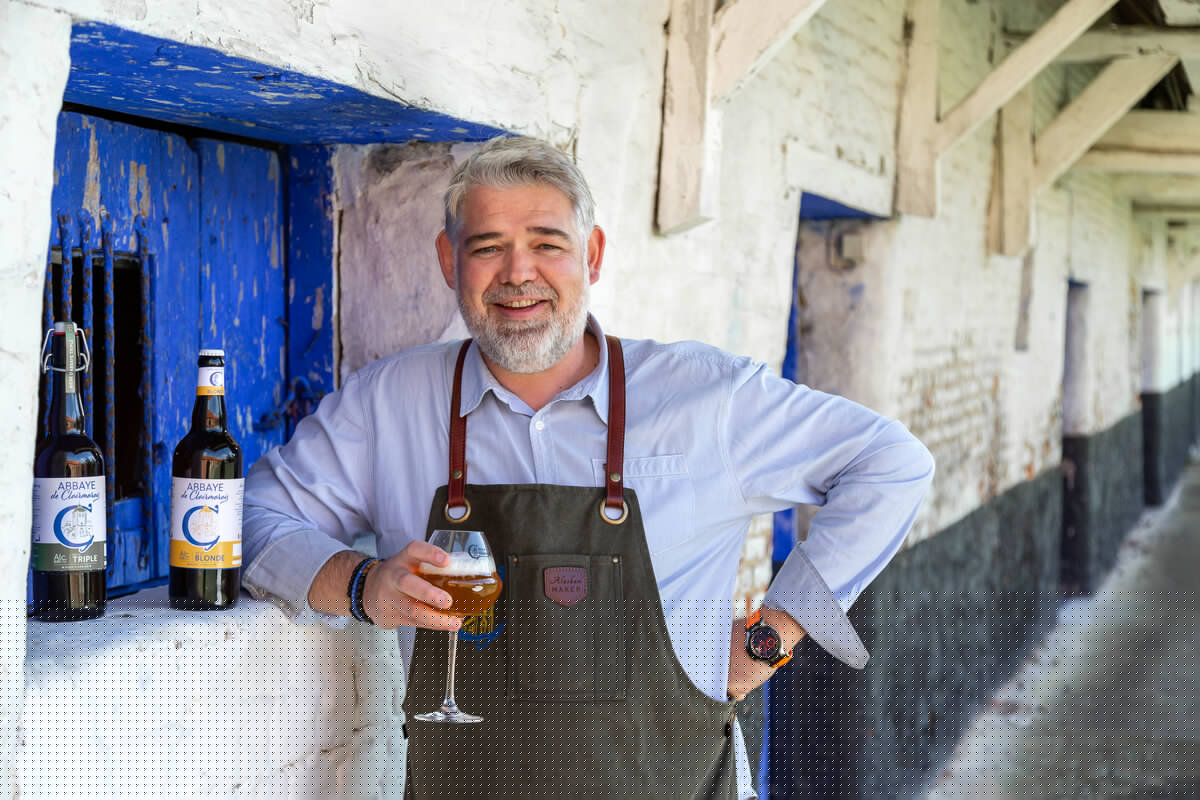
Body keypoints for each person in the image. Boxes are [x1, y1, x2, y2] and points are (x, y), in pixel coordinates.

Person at [241, 136, 935, 799]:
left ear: (592, 255)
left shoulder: (705, 397)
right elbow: (250, 518)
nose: (518, 273)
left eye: (547, 244)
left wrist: (769, 637)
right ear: (449, 262)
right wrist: (361, 584)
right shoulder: (387, 404)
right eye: (488, 248)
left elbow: (890, 465)